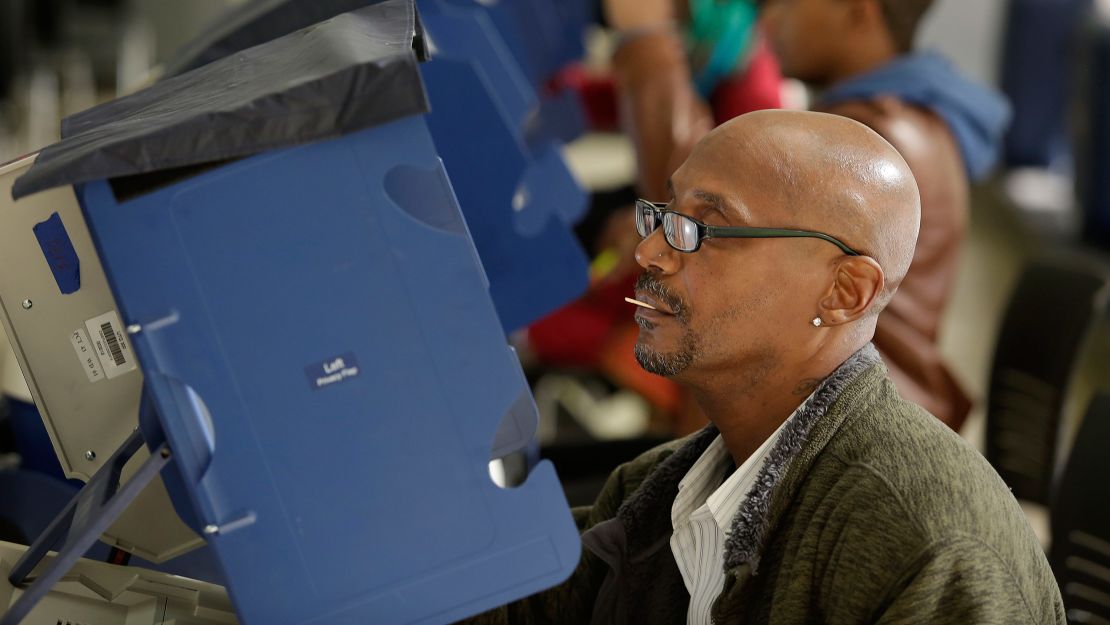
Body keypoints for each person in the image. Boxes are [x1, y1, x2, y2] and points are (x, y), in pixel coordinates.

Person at [465, 110, 1062, 624]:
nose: (648, 252)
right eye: (663, 214)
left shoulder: (922, 544)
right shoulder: (663, 494)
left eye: (703, 228)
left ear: (844, 292)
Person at [759, 0, 1012, 430]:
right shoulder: (914, 114)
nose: (770, 20)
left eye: (789, 2)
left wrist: (648, 47)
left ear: (859, 11)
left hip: (841, 431)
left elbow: (714, 269)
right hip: (867, 408)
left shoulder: (865, 141)